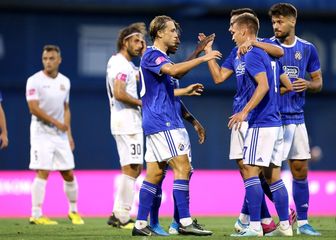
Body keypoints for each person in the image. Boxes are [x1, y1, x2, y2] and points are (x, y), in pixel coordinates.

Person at [201, 8, 293, 235]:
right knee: (255, 172)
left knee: (252, 172)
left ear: (244, 28)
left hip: (255, 119)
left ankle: (254, 223)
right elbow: (219, 78)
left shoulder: (259, 50)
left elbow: (274, 71)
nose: (230, 31)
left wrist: (255, 106)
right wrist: (209, 54)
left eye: (233, 27)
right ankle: (271, 221)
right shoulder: (238, 52)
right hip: (246, 118)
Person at [132, 15, 221, 236]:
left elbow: (171, 90)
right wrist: (203, 58)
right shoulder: (152, 55)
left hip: (163, 121)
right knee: (183, 168)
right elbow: (174, 71)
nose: (177, 36)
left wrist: (192, 120)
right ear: (159, 33)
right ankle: (184, 221)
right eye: (172, 31)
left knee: (154, 174)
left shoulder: (163, 61)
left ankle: (140, 225)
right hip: (164, 122)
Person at [268, 3, 323, 236]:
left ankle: (303, 222)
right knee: (267, 173)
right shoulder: (268, 46)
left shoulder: (308, 48)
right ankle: (257, 219)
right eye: (273, 22)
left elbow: (319, 82)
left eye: (280, 21)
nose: (276, 26)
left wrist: (308, 84)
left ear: (293, 21)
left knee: (300, 170)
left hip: (297, 119)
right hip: (272, 120)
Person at [26, 45, 84, 225]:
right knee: (43, 170)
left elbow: (66, 108)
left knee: (68, 173)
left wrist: (69, 133)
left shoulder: (65, 81)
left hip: (60, 134)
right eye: (45, 58)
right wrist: (55, 122)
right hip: (41, 132)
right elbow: (33, 108)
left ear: (59, 60)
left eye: (51, 58)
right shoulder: (34, 80)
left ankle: (73, 211)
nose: (48, 62)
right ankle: (36, 214)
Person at [106, 22, 146, 230]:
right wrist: (143, 103)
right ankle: (121, 215)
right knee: (132, 167)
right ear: (125, 42)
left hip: (127, 120)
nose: (141, 45)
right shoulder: (121, 64)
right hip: (127, 120)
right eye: (137, 41)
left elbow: (145, 75)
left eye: (143, 41)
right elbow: (119, 92)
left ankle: (118, 213)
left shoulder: (127, 65)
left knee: (133, 167)